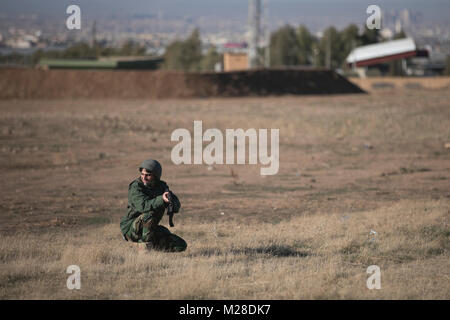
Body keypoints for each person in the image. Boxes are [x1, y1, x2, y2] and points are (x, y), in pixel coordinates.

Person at [120, 159, 187, 252]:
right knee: (149, 215)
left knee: (180, 245)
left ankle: (147, 247)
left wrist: (171, 201)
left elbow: (177, 207)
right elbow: (143, 206)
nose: (144, 177)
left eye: (148, 175)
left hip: (149, 229)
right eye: (142, 174)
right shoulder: (136, 187)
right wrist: (161, 199)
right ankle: (144, 249)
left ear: (156, 175)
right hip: (130, 229)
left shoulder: (161, 187)